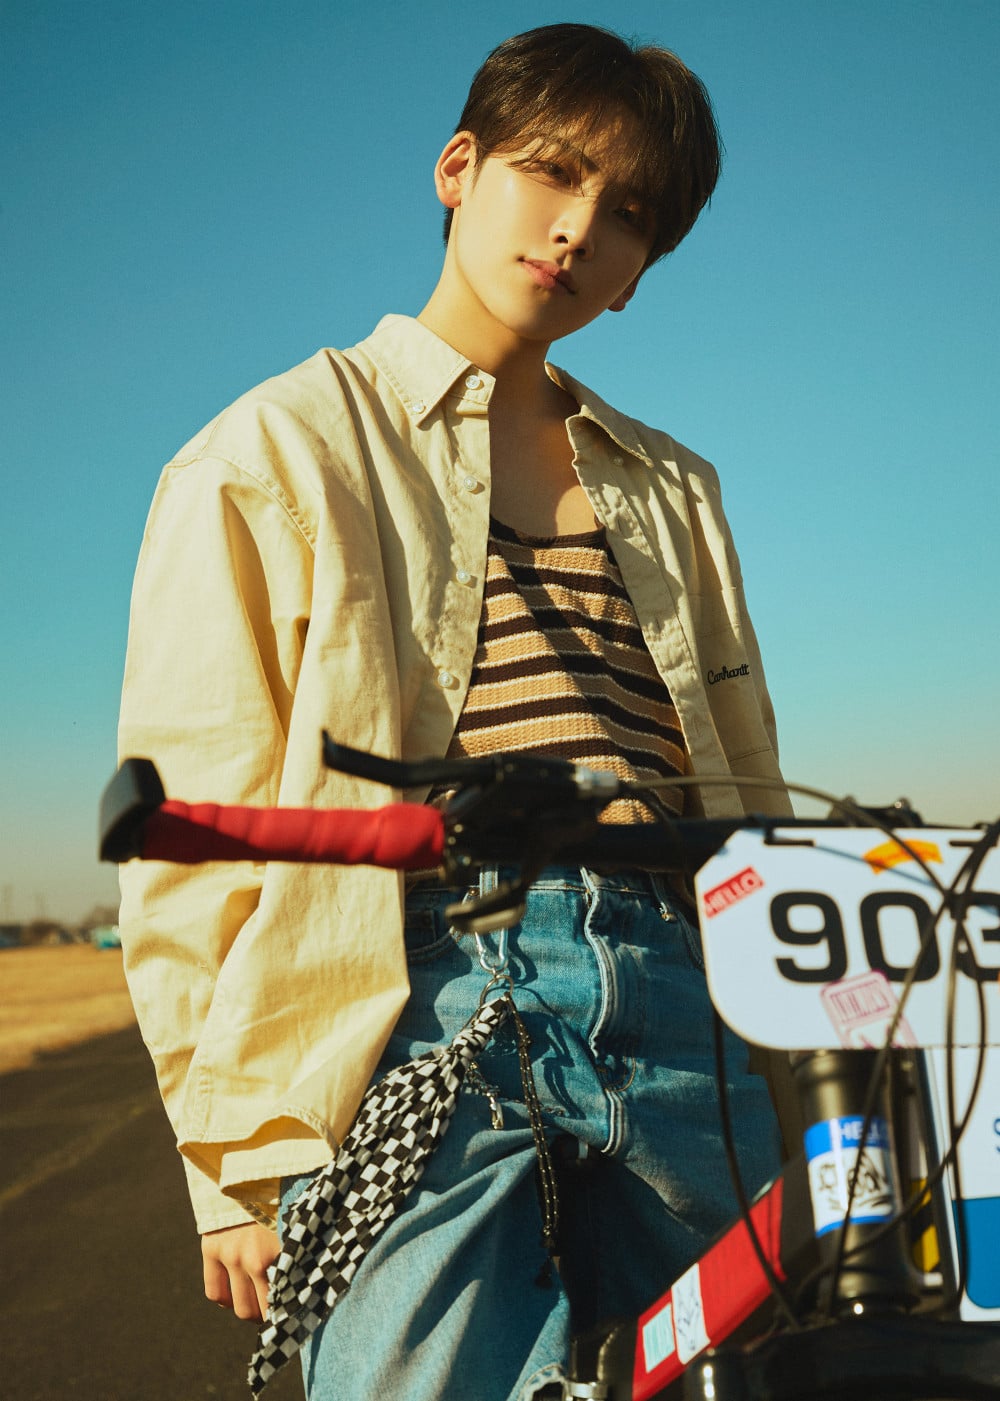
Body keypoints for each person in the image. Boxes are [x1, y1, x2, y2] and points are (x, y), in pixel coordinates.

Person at [117, 22, 791, 1401]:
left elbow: (745, 782)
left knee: (753, 1374)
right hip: (414, 999)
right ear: (459, 167)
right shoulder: (274, 446)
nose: (579, 229)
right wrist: (228, 1157)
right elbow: (190, 824)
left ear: (642, 272)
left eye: (630, 214)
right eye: (554, 172)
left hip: (680, 990)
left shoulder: (675, 487)